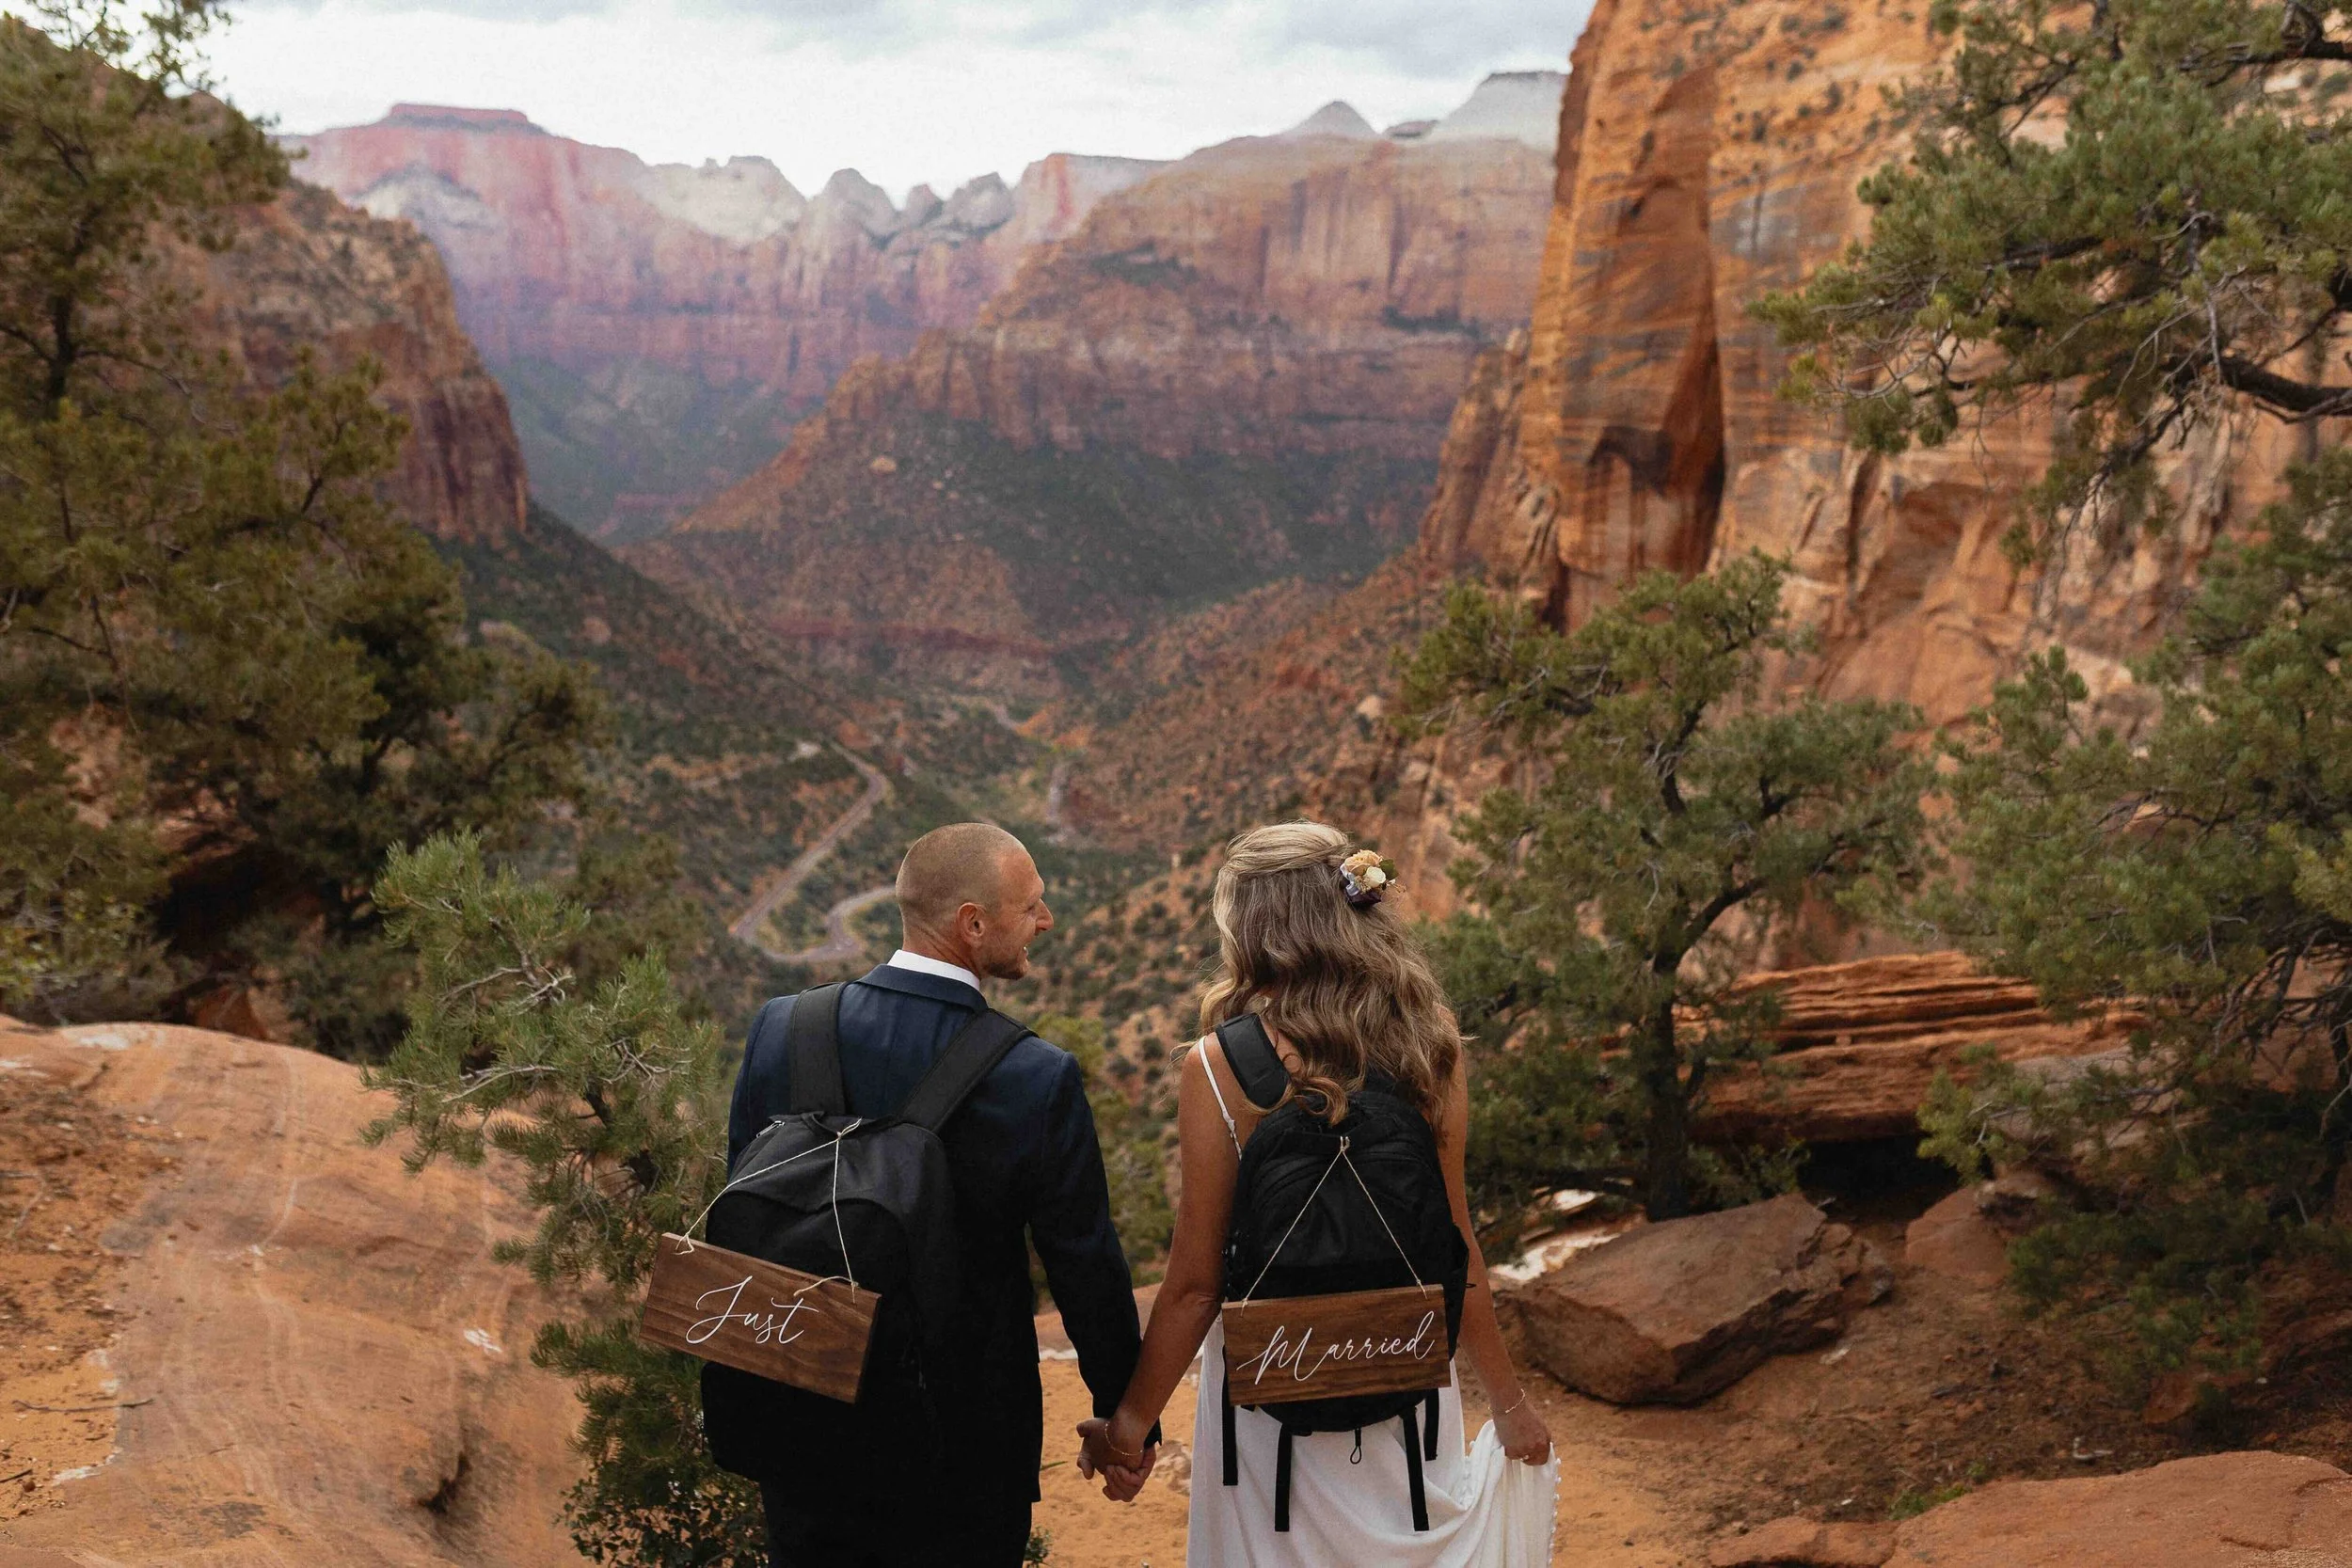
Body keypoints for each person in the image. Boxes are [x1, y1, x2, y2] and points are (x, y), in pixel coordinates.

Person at [1077, 821, 1557, 1562]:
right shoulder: (1431, 1045)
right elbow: (1455, 1245)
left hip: (1269, 1406)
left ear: (1255, 928)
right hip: (1403, 1383)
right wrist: (1510, 1402)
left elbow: (1195, 1287)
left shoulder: (1219, 1067)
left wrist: (1128, 1429)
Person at [725, 822, 1148, 1567]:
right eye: (1032, 906)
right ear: (972, 924)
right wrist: (1124, 1419)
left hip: (801, 1435)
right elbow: (1085, 1267)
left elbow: (744, 1212)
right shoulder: (1034, 1076)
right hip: (962, 1462)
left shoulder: (783, 1028)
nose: (1045, 922)